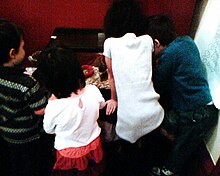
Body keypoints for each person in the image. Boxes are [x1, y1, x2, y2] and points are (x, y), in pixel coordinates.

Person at [145, 15, 219, 176]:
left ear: (156, 43)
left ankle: (167, 171)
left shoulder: (167, 56)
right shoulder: (187, 41)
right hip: (206, 108)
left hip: (196, 114)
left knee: (181, 148)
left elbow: (158, 86)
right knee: (177, 136)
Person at [36, 46, 107, 176]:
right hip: (94, 145)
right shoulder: (93, 90)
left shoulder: (54, 106)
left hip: (69, 154)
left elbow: (49, 130)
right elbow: (101, 105)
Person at [103, 0, 164, 144]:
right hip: (154, 113)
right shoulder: (147, 40)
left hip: (128, 122)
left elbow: (112, 77)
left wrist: (113, 99)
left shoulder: (110, 43)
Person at [0, 20, 48, 176]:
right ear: (12, 53)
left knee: (14, 164)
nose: (25, 50)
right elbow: (40, 110)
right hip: (29, 135)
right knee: (32, 165)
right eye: (22, 47)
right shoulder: (26, 83)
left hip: (6, 133)